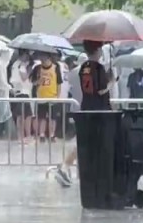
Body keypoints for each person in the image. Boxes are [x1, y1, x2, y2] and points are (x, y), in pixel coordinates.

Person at [54, 41, 113, 188]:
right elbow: (101, 91)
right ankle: (65, 167)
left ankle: (73, 169)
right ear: (98, 49)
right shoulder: (98, 68)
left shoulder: (83, 68)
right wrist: (111, 82)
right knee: (89, 142)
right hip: (98, 109)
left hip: (86, 106)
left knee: (85, 141)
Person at [32, 52, 63, 142]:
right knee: (42, 117)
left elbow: (59, 82)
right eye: (41, 56)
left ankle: (52, 134)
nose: (42, 58)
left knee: (53, 117)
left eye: (44, 56)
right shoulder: (37, 68)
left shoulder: (56, 67)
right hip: (41, 96)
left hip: (52, 96)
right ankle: (41, 135)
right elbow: (33, 82)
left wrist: (58, 95)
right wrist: (38, 81)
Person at [10, 51, 35, 143]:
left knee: (22, 116)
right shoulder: (21, 65)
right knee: (25, 116)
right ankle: (26, 136)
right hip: (23, 92)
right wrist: (29, 71)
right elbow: (24, 77)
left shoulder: (14, 64)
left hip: (19, 92)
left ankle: (21, 136)